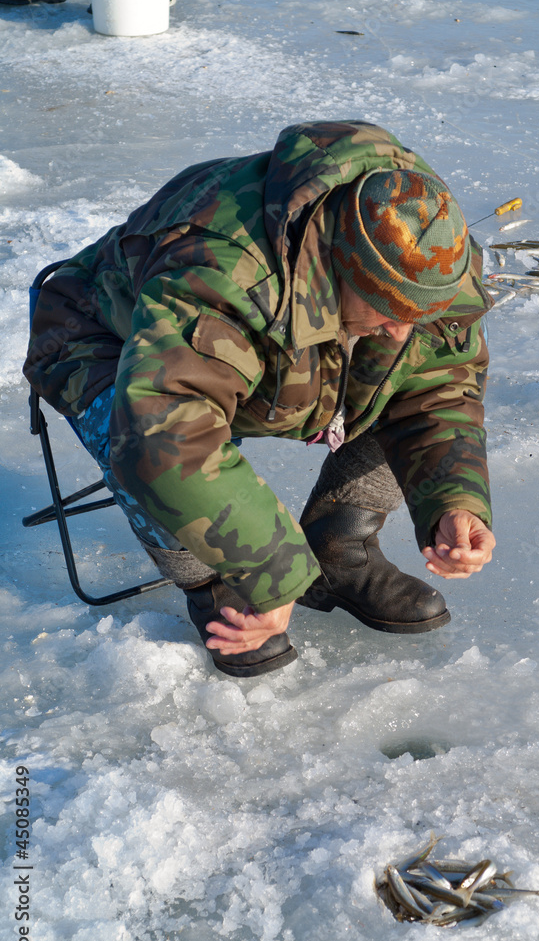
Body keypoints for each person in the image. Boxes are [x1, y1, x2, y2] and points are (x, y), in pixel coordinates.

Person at [24, 120, 496, 678]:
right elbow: (166, 439)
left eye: (416, 313)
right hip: (103, 338)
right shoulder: (222, 272)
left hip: (282, 349)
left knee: (403, 366)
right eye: (388, 310)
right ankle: (209, 582)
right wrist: (270, 571)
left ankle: (340, 549)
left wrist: (454, 501)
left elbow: (440, 382)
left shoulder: (423, 244)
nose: (400, 330)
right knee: (141, 441)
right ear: (338, 266)